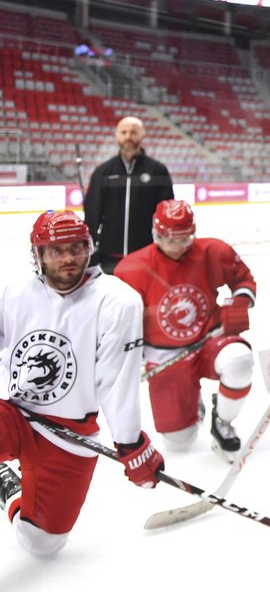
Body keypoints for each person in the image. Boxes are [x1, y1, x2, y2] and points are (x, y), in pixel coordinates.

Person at [0, 211, 164, 558]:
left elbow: (115, 380)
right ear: (38, 254)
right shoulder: (14, 291)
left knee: (42, 543)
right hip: (12, 414)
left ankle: (8, 486)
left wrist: (130, 442)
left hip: (67, 434)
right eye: (56, 250)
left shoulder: (117, 301)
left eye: (76, 248)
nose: (68, 258)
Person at [114, 200, 255, 463]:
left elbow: (243, 280)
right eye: (170, 239)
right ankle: (192, 399)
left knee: (239, 360)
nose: (177, 246)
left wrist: (240, 302)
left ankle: (222, 420)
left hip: (209, 340)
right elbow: (120, 322)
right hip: (164, 355)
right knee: (179, 441)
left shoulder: (214, 251)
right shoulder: (130, 269)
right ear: (156, 234)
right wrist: (130, 356)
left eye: (184, 239)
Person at [83, 116, 174, 274]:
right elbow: (92, 213)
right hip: (109, 256)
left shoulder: (158, 170)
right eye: (123, 132)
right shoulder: (103, 172)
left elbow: (166, 212)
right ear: (116, 135)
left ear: (143, 135)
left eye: (133, 132)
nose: (128, 137)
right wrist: (89, 248)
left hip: (145, 254)